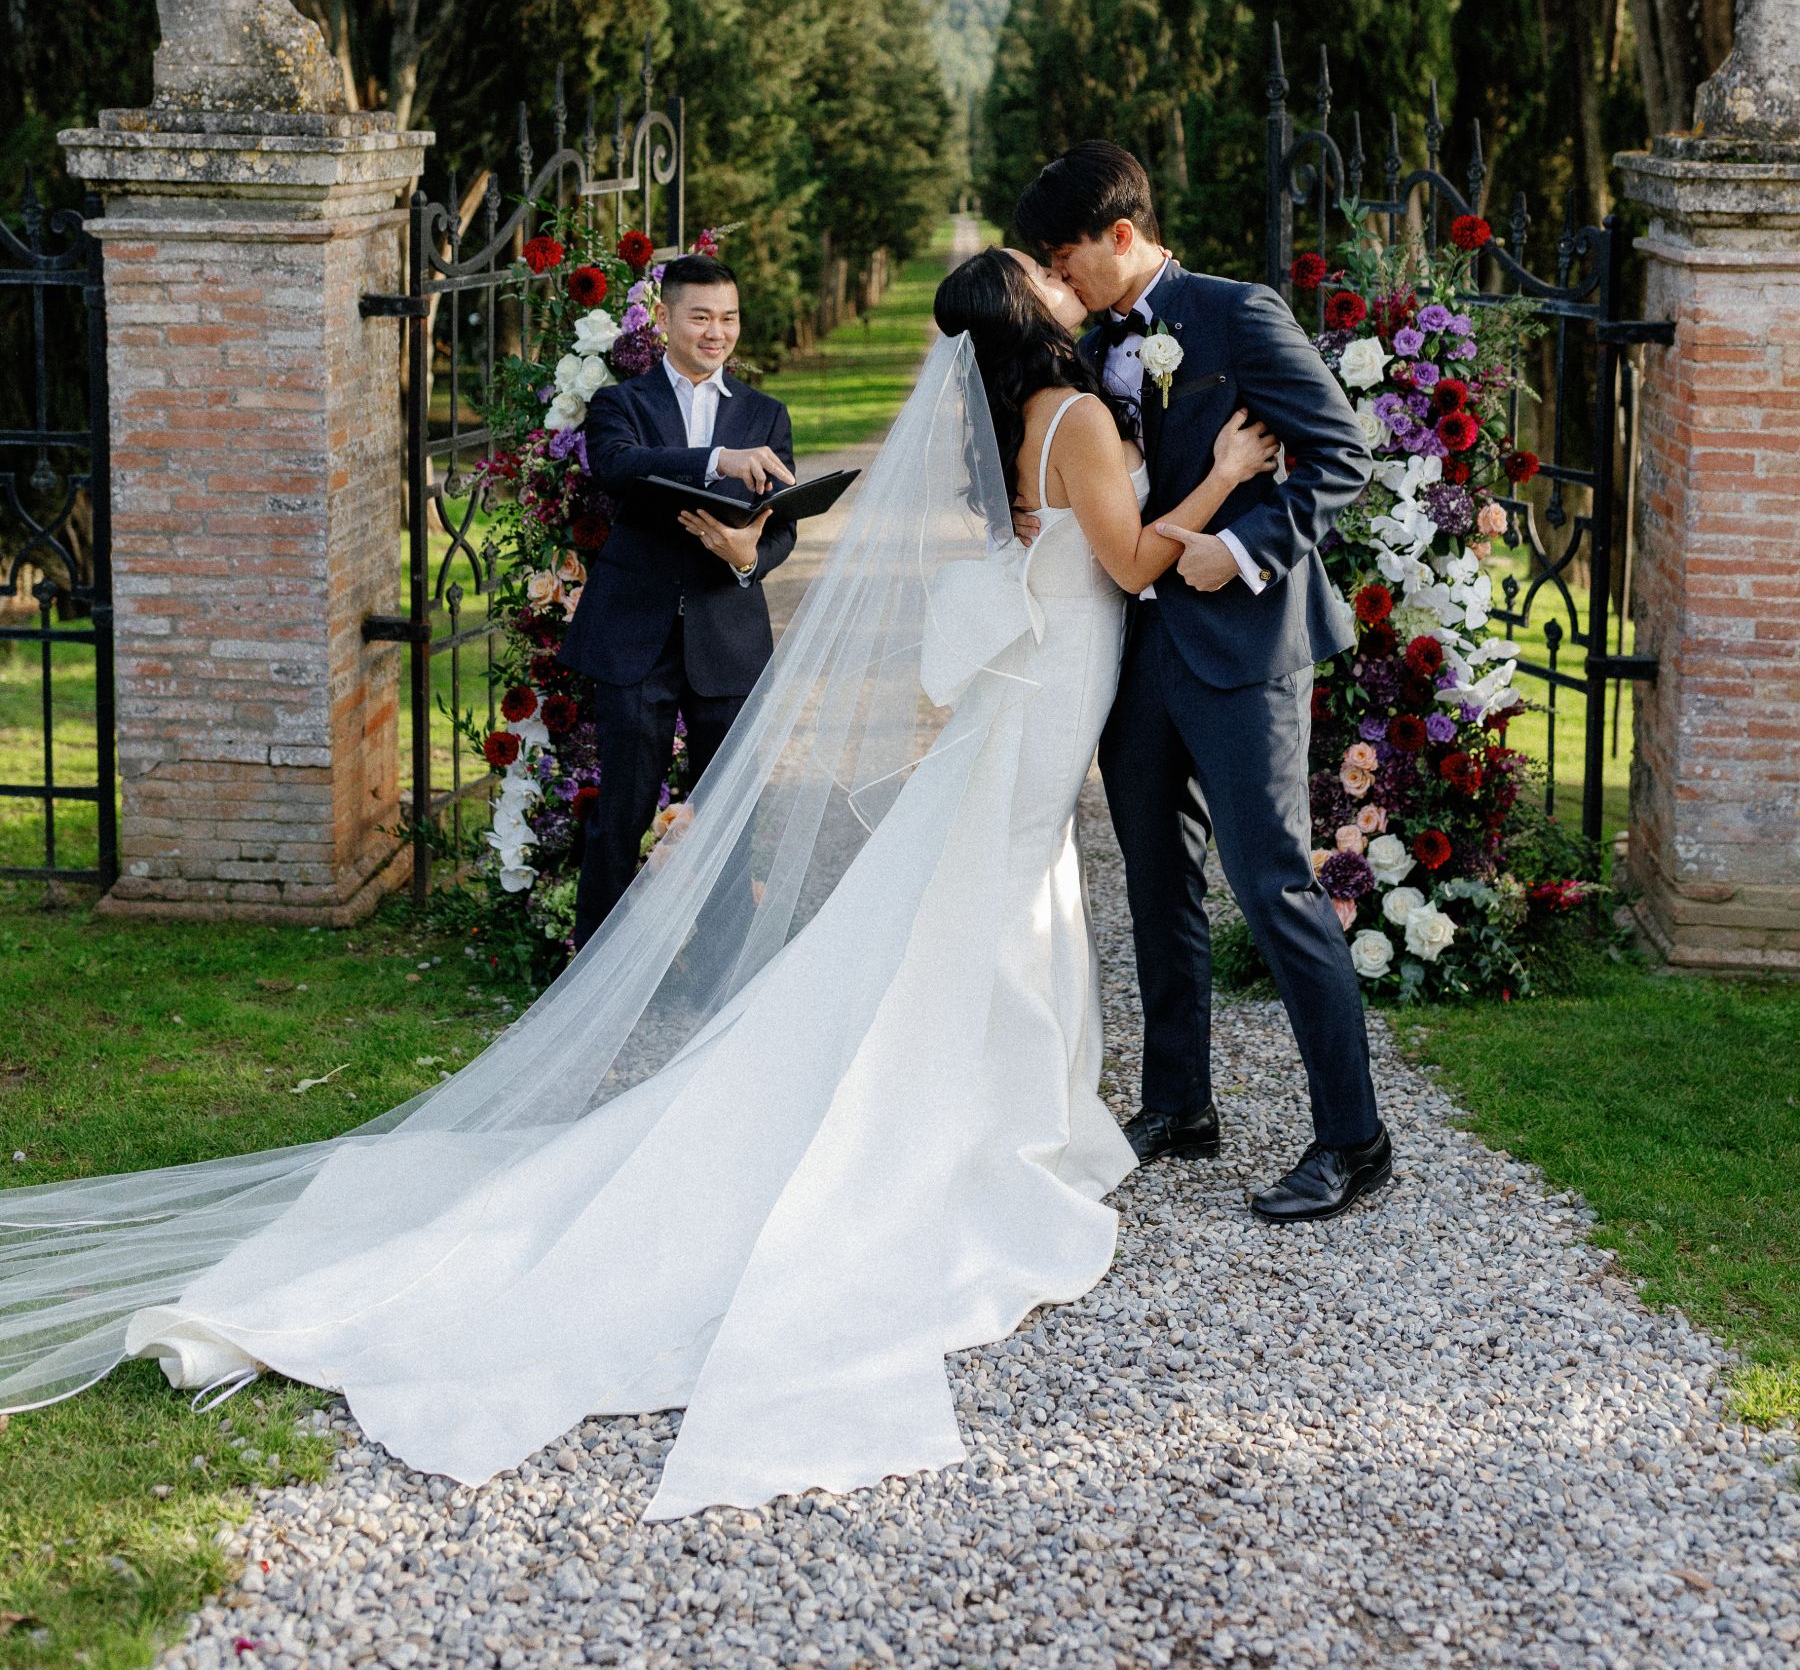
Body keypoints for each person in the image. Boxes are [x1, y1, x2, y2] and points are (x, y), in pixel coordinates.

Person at [0, 248, 1275, 1519]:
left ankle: (1002, 1099)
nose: (1063, 286)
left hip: (1040, 686)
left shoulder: (1029, 413)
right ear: (1030, 317)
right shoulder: (1081, 414)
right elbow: (1128, 565)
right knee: (994, 891)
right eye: (1042, 280)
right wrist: (1220, 478)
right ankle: (975, 1117)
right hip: (1054, 687)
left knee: (996, 890)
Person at [1013, 139, 1390, 1225]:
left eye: (1068, 253)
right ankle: (1180, 1105)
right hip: (1135, 648)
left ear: (1121, 237)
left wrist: (1251, 547)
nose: (1060, 276)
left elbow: (1338, 459)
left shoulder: (1240, 315)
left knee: (1272, 884)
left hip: (1244, 648)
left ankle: (1355, 1140)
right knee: (1153, 881)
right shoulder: (1084, 340)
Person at [560, 254, 797, 944]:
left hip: (728, 638)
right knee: (622, 814)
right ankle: (595, 977)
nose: (716, 332)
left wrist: (752, 555)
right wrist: (716, 459)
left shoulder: (765, 412)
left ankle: (719, 977)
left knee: (729, 817)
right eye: (701, 317)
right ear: (665, 321)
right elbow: (618, 466)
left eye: (728, 318)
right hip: (636, 637)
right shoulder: (621, 404)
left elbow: (780, 523)